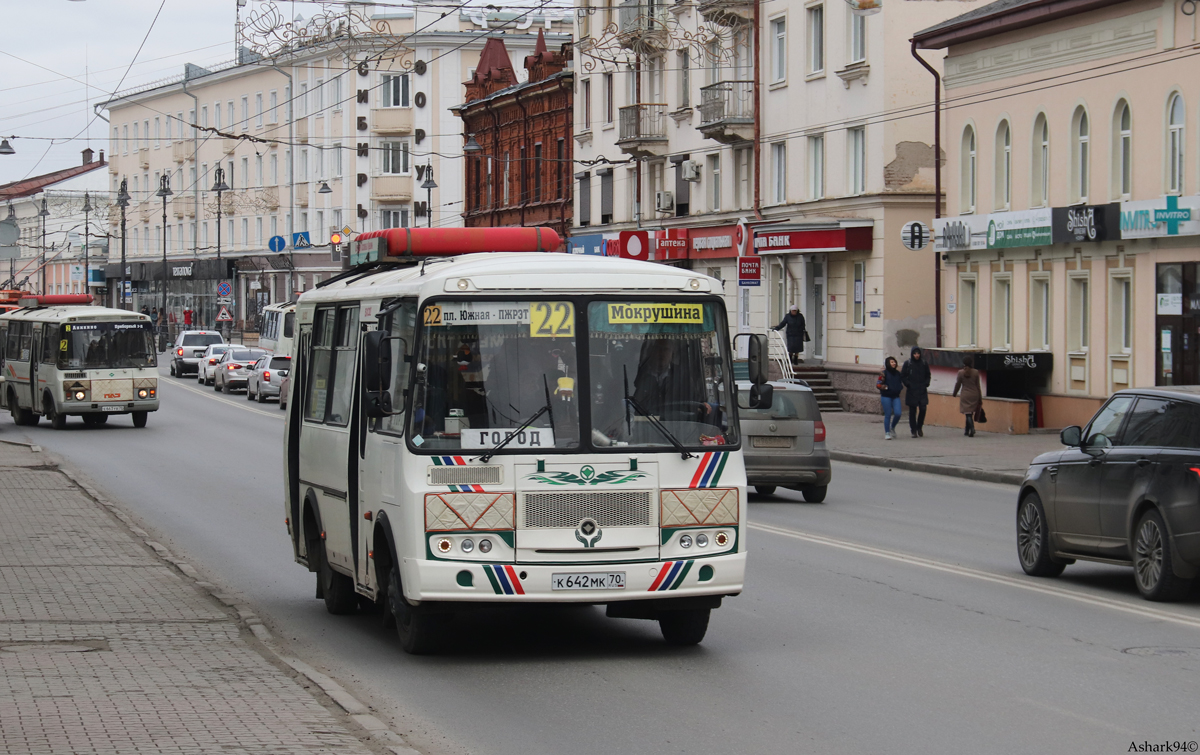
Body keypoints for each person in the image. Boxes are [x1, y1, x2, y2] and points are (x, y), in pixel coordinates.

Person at [900, 345, 930, 438]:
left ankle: (919, 427)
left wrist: (926, 383)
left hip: (922, 390)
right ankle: (913, 430)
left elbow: (928, 375)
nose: (916, 355)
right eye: (915, 353)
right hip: (912, 390)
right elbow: (903, 376)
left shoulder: (924, 363)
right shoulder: (908, 363)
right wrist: (908, 384)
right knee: (912, 411)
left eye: (918, 353)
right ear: (912, 354)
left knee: (923, 409)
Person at [953, 355, 983, 437]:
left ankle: (972, 429)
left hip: (965, 395)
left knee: (967, 413)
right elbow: (978, 386)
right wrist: (980, 398)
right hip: (974, 394)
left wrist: (954, 393)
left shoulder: (960, 372)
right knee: (970, 413)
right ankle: (967, 430)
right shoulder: (976, 372)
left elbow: (958, 384)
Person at [877, 356, 903, 440]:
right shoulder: (883, 373)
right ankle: (887, 432)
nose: (894, 363)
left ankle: (892, 427)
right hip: (886, 396)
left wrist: (899, 387)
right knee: (888, 414)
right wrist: (886, 388)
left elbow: (900, 382)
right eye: (892, 362)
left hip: (895, 396)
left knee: (898, 413)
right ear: (888, 363)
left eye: (894, 362)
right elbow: (878, 384)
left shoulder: (898, 373)